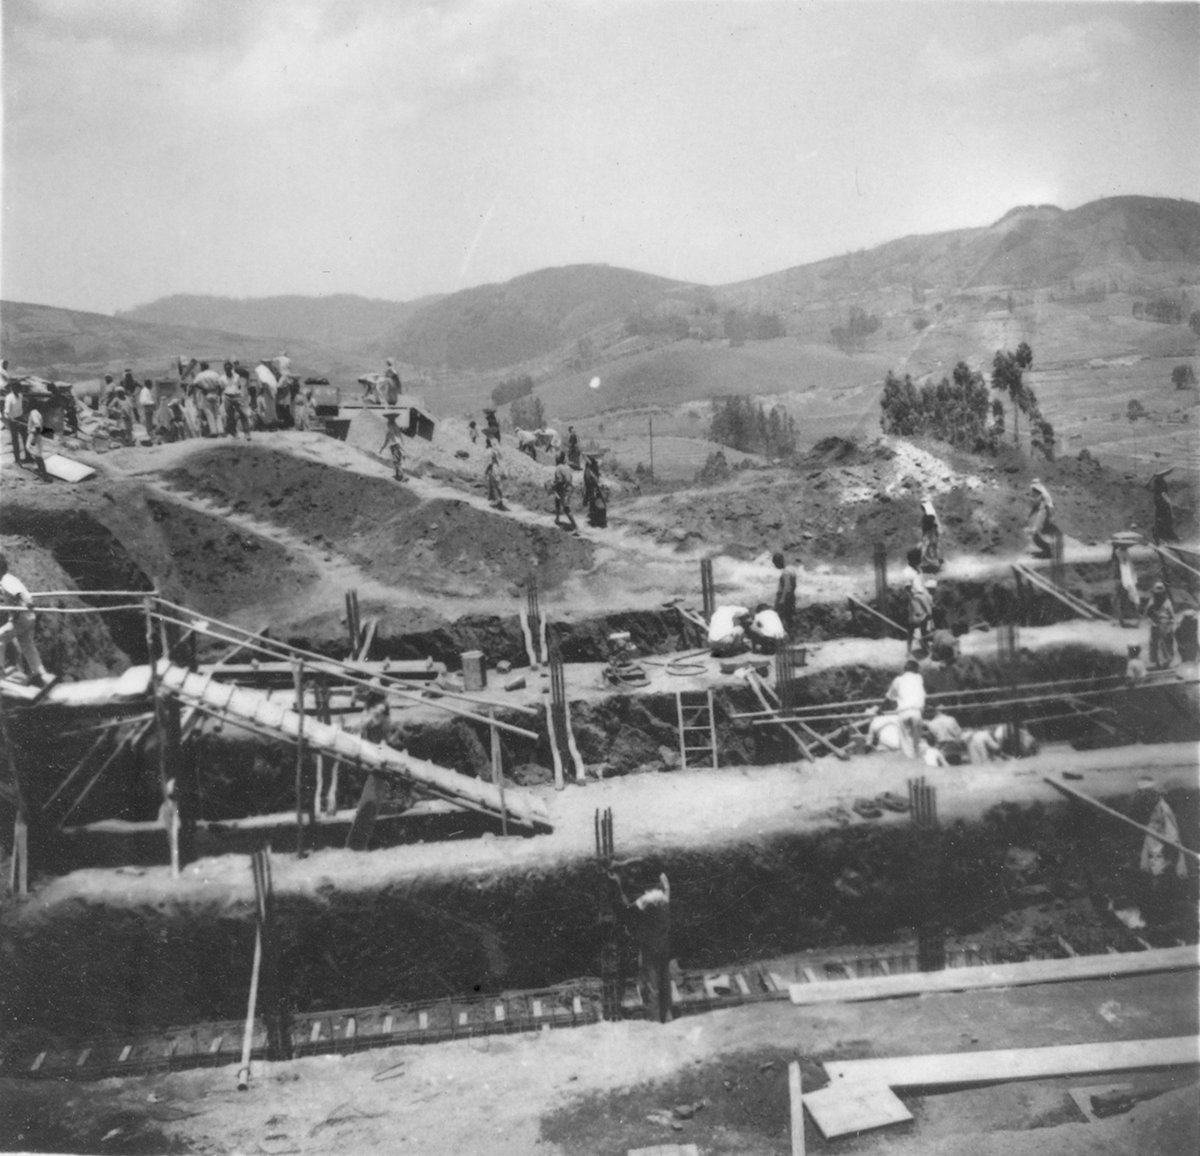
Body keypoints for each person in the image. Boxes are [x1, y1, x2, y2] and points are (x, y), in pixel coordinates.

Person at [608, 866, 672, 1023]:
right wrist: (665, 882)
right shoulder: (664, 897)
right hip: (664, 946)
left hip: (650, 946)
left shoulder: (647, 899)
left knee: (651, 984)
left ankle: (654, 1019)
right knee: (665, 982)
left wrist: (618, 884)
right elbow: (667, 887)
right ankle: (668, 1016)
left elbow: (627, 909)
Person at [0, 553, 53, 686]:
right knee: (27, 645)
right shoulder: (8, 579)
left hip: (21, 618)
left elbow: (20, 593)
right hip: (28, 617)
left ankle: (0, 672)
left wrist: (28, 601)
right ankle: (41, 674)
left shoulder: (6, 581)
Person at [884, 658, 926, 758]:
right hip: (916, 712)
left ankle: (909, 759)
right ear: (916, 670)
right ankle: (915, 756)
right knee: (916, 738)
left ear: (904, 669)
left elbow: (889, 697)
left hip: (904, 712)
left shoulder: (898, 680)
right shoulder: (919, 677)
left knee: (906, 739)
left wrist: (880, 709)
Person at [903, 548, 934, 656]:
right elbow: (907, 589)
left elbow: (921, 584)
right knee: (912, 626)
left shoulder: (918, 570)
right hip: (915, 599)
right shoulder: (907, 572)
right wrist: (913, 603)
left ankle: (925, 647)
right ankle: (909, 649)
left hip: (923, 597)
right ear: (912, 560)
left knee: (925, 624)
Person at [1146, 581, 1175, 669]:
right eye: (1157, 593)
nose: (1158, 595)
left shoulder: (1167, 602)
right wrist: (1151, 621)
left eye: (1160, 593)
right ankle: (1156, 662)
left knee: (1165, 644)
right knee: (1154, 644)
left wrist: (1169, 626)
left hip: (1164, 625)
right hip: (1155, 624)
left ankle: (1167, 662)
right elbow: (1147, 614)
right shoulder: (1151, 601)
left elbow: (1172, 617)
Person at [1111, 539, 1140, 627]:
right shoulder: (1121, 553)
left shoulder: (1119, 553)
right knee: (1124, 599)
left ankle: (1120, 619)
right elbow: (1126, 566)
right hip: (1124, 579)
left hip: (1123, 579)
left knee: (1121, 599)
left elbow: (1125, 566)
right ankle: (1123, 619)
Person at [1026, 478, 1056, 558]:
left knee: (1036, 532)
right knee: (1035, 534)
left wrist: (1050, 517)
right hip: (1041, 511)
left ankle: (1048, 551)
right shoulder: (1038, 492)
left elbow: (1047, 507)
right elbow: (1035, 505)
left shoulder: (1043, 494)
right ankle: (1047, 550)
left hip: (1044, 511)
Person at [222, 364, 252, 441]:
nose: (228, 370)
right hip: (228, 396)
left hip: (236, 396)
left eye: (229, 369)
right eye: (226, 369)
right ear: (225, 369)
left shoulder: (237, 376)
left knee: (243, 414)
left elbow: (239, 386)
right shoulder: (222, 378)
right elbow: (222, 387)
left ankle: (247, 433)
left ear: (231, 369)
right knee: (230, 416)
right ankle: (234, 433)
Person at [1147, 469, 1177, 544]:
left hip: (1159, 508)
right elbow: (1164, 495)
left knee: (1160, 524)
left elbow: (1150, 488)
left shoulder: (1156, 482)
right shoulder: (1162, 483)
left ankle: (1160, 540)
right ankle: (1171, 540)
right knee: (1166, 525)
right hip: (1164, 507)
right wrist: (1171, 504)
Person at [552, 451, 578, 532]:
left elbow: (560, 480)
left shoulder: (559, 468)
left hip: (564, 489)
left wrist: (554, 485)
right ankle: (557, 518)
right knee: (557, 501)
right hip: (568, 488)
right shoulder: (567, 467)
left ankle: (575, 526)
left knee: (566, 508)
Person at [773, 552, 797, 637]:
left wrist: (782, 599)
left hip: (784, 597)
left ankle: (783, 637)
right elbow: (793, 586)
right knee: (789, 617)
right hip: (791, 597)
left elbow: (787, 586)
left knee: (780, 617)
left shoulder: (786, 572)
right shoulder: (791, 570)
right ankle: (791, 636)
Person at [3, 381, 27, 466]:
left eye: (19, 389)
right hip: (12, 420)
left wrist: (23, 417)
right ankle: (17, 459)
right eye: (16, 389)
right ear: (13, 389)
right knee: (15, 440)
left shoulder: (20, 396)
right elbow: (6, 412)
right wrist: (12, 419)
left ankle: (28, 457)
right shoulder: (9, 398)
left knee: (25, 437)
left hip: (20, 418)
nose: (18, 391)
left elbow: (20, 407)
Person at [25, 406, 50, 480]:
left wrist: (33, 438)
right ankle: (41, 473)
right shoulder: (36, 412)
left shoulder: (33, 413)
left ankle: (45, 477)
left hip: (35, 435)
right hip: (35, 435)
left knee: (37, 455)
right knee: (35, 455)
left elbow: (37, 426)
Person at [380, 411, 405, 481]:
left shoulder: (391, 428)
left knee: (397, 462)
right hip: (398, 446)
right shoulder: (396, 427)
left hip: (395, 447)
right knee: (397, 462)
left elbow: (387, 440)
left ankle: (400, 477)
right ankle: (398, 475)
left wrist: (382, 448)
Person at [919, 498, 943, 572]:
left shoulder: (929, 516)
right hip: (928, 535)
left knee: (930, 548)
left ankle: (932, 563)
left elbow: (932, 525)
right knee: (928, 548)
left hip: (930, 534)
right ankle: (930, 563)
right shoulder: (926, 516)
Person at [583, 455, 607, 528]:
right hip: (594, 488)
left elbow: (588, 481)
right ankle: (598, 521)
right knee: (595, 503)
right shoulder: (594, 468)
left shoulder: (589, 469)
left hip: (592, 488)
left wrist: (586, 496)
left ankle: (595, 522)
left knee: (593, 504)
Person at [484, 437, 506, 510]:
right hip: (497, 468)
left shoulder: (488, 451)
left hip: (493, 469)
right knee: (497, 484)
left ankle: (498, 501)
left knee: (494, 485)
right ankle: (498, 501)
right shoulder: (494, 450)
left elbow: (489, 463)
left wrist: (486, 471)